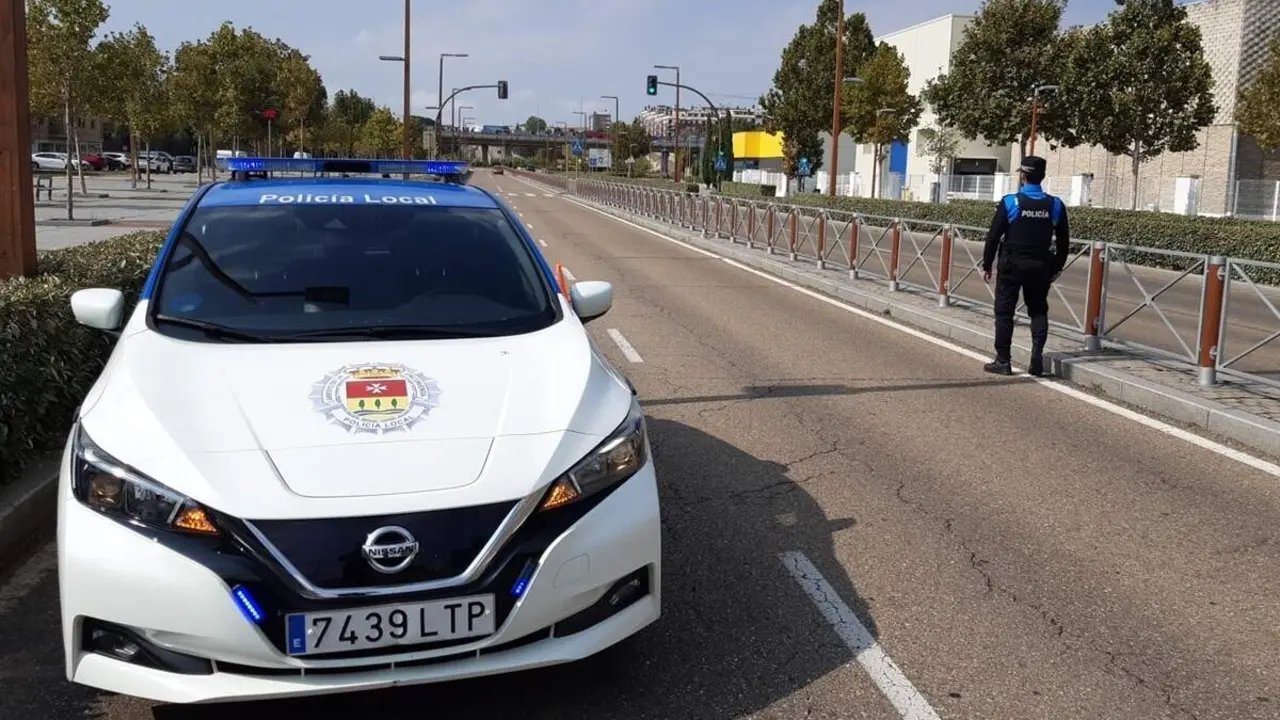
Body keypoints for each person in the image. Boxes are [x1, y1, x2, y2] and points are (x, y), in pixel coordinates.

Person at [980, 155, 1070, 377]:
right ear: (1043, 176)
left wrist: (987, 264)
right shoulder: (1055, 205)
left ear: (1023, 175)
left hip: (1011, 265)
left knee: (1004, 312)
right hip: (1040, 267)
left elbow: (993, 236)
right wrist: (1056, 268)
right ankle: (1036, 358)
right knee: (1038, 310)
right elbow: (1064, 241)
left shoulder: (1012, 202)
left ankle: (1003, 360)